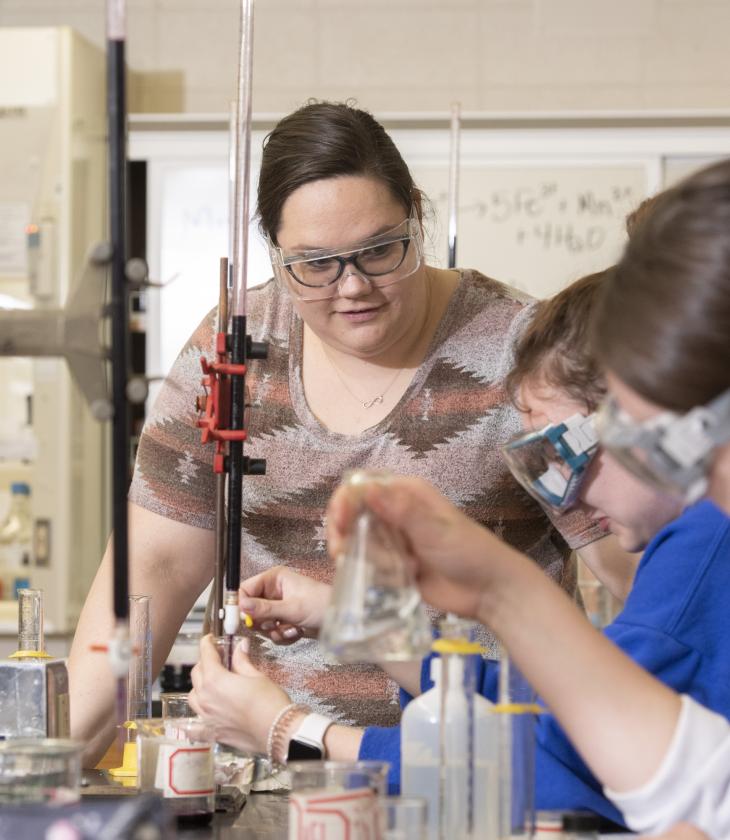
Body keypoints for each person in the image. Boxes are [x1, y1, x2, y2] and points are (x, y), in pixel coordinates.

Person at [67, 101, 611, 766]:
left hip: (481, 778)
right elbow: (153, 567)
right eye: (314, 264)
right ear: (275, 250)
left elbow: (632, 570)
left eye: (380, 250)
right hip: (269, 785)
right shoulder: (236, 347)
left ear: (416, 214)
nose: (353, 287)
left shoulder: (519, 355)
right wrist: (56, 760)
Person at [188, 267, 730, 828]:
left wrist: (293, 732)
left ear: (649, 421)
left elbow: (554, 762)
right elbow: (551, 707)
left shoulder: (703, 549)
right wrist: (365, 625)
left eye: (564, 455)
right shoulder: (694, 541)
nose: (563, 501)